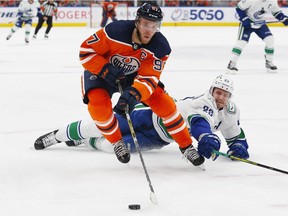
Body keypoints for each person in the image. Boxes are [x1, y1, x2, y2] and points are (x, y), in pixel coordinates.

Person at [35, 3, 204, 167]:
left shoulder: (160, 47)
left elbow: (149, 78)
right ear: (137, 21)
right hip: (101, 73)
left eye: (154, 26)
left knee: (166, 105)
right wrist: (105, 69)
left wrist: (134, 95)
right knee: (99, 108)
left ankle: (186, 146)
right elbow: (86, 52)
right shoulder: (114, 31)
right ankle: (116, 142)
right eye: (146, 24)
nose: (149, 30)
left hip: (134, 78)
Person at [34, 75, 250, 162]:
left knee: (115, 148)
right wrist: (205, 137)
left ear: (230, 97)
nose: (219, 96)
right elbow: (199, 123)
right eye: (217, 91)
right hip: (150, 118)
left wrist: (238, 148)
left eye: (224, 94)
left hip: (160, 139)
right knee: (101, 125)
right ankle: (57, 135)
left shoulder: (231, 111)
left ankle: (86, 142)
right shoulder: (203, 102)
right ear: (211, 90)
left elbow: (234, 135)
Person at [227, 0, 288, 74]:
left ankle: (269, 62)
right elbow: (239, 8)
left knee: (270, 40)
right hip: (247, 24)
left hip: (260, 24)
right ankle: (232, 63)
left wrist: (283, 18)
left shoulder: (272, 1)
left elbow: (276, 12)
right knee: (241, 43)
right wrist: (245, 19)